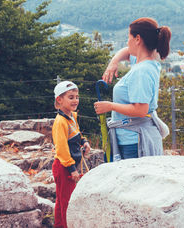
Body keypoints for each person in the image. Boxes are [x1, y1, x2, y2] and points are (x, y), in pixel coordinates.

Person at [94, 17, 171, 160]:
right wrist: (114, 62)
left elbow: (140, 110)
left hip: (135, 143)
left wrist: (110, 106)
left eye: (128, 37)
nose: (126, 41)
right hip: (134, 138)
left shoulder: (141, 71)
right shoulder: (145, 62)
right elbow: (126, 52)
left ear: (137, 39)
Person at [52, 80, 91, 228]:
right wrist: (72, 169)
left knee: (61, 200)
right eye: (71, 97)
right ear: (59, 100)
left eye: (76, 97)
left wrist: (84, 141)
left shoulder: (72, 116)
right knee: (67, 202)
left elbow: (77, 133)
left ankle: (59, 225)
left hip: (68, 165)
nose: (75, 100)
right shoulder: (60, 122)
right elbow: (61, 149)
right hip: (63, 167)